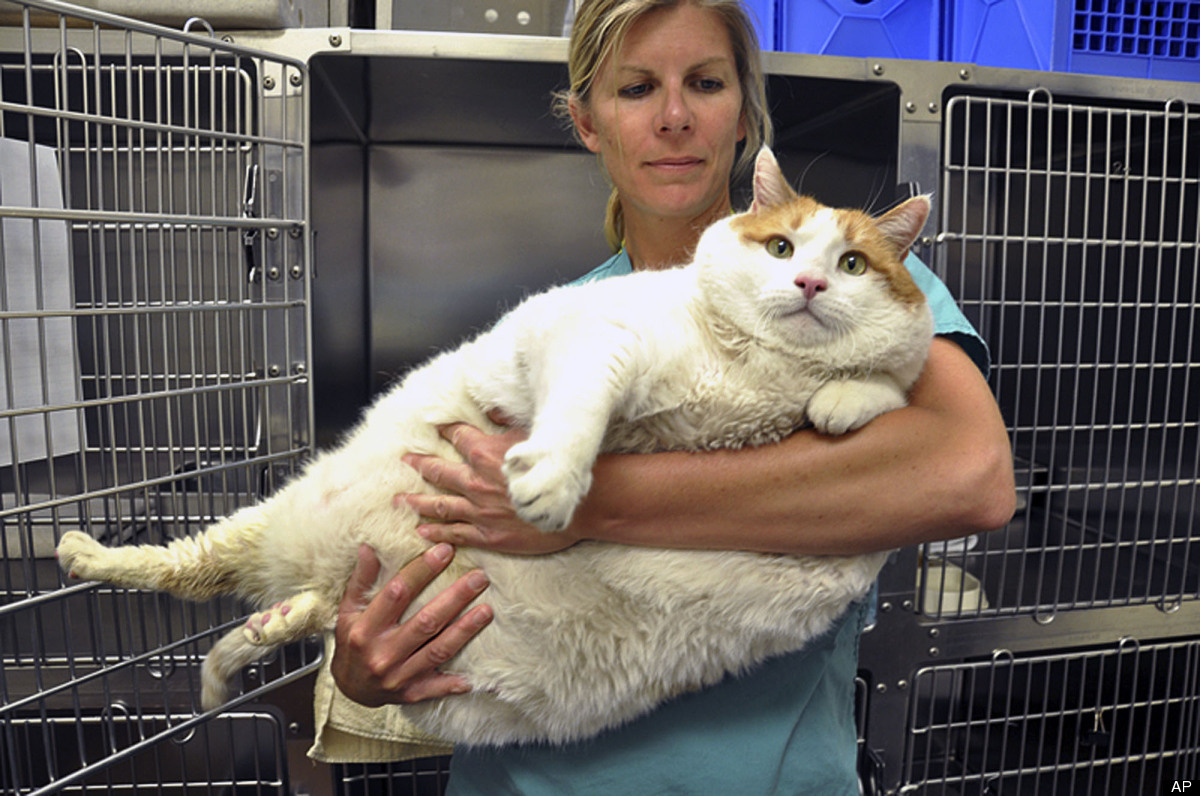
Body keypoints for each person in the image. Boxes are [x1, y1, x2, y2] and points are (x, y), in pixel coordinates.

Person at [331, 0, 1017, 792]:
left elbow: (970, 476)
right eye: (635, 89)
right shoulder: (563, 327)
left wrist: (587, 504)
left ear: (741, 116)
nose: (675, 117)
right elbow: (426, 539)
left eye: (705, 82)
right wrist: (363, 671)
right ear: (588, 123)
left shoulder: (852, 280)